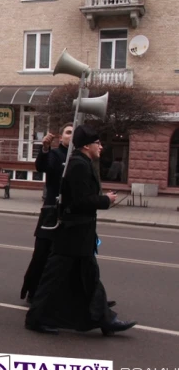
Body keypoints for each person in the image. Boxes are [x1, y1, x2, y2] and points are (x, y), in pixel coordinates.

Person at [25, 125, 136, 336]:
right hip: (72, 235)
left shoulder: (82, 161)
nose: (101, 147)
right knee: (54, 278)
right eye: (98, 143)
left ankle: (105, 320)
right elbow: (78, 201)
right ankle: (35, 318)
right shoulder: (78, 164)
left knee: (89, 277)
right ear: (87, 145)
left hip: (79, 233)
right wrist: (106, 200)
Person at [20, 123, 72, 304]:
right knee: (42, 254)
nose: (70, 136)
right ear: (61, 137)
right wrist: (45, 148)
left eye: (74, 133)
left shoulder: (79, 156)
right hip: (51, 213)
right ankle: (33, 291)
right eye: (67, 132)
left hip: (70, 215)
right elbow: (43, 166)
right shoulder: (55, 154)